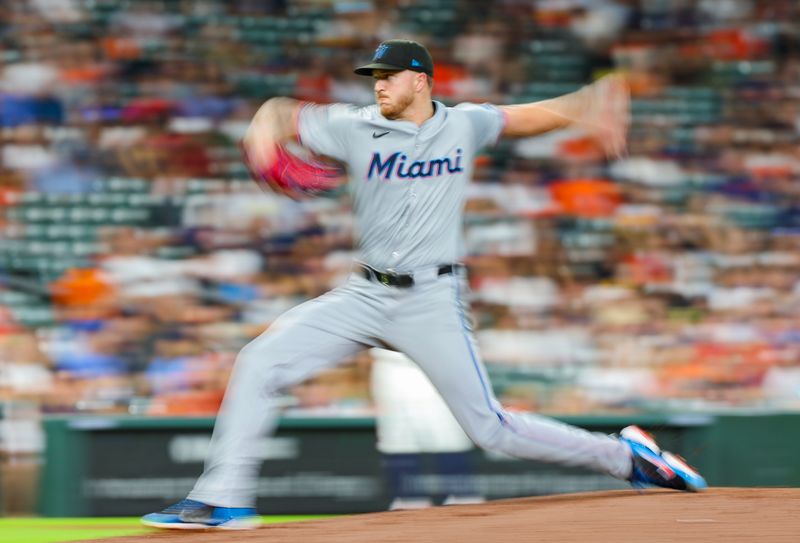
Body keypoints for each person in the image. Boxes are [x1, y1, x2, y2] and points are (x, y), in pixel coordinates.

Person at [142, 39, 706, 530]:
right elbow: (277, 112)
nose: (379, 85)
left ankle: (626, 458)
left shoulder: (464, 123)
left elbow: (527, 116)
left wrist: (591, 104)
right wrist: (261, 138)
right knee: (260, 361)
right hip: (364, 294)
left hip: (431, 300)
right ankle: (221, 500)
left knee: (491, 430)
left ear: (420, 80)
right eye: (375, 77)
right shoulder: (353, 125)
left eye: (388, 76)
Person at [370, 348, 484, 510]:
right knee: (399, 439)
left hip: (442, 365)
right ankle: (408, 498)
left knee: (450, 438)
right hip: (393, 367)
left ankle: (462, 497)